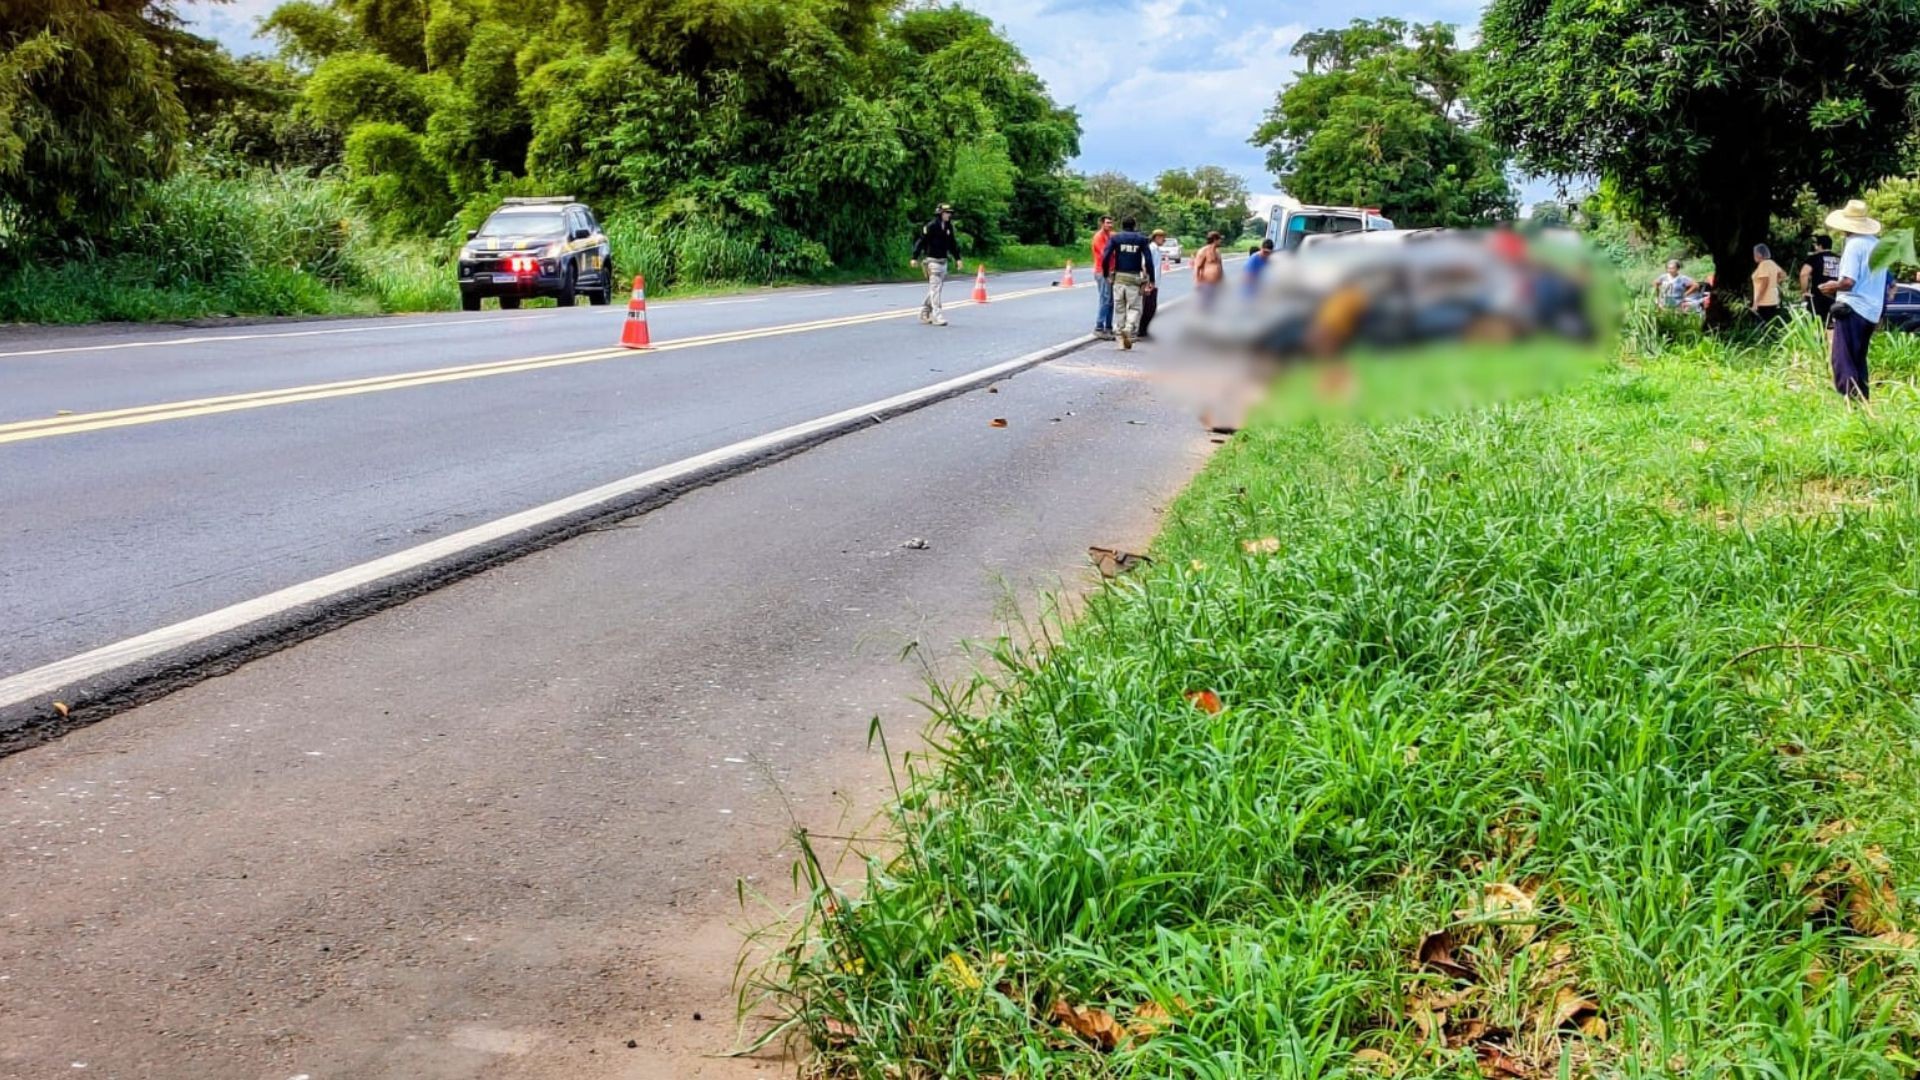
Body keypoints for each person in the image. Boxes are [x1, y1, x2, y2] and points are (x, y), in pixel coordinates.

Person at [1819, 200, 1888, 401]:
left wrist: (1830, 287)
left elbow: (1848, 282)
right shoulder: (1877, 245)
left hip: (1853, 307)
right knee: (1858, 359)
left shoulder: (1853, 245)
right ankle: (1862, 400)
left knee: (1842, 358)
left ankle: (1849, 401)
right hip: (1871, 311)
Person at [1099, 215, 1156, 349]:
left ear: (1122, 225)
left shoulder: (1115, 238)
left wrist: (1106, 273)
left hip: (1119, 277)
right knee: (1135, 307)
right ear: (1134, 225)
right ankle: (1129, 327)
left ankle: (1120, 341)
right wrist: (1151, 279)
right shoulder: (1141, 239)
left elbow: (1105, 256)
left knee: (1119, 309)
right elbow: (1148, 260)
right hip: (1134, 278)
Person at [909, 203, 963, 326]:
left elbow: (952, 244)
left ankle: (924, 311)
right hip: (932, 261)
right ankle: (937, 315)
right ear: (940, 213)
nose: (949, 215)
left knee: (935, 289)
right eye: (946, 212)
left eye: (949, 213)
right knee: (935, 289)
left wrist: (957, 258)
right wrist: (914, 257)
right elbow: (921, 241)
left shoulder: (948, 227)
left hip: (943, 261)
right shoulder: (931, 226)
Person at [1800, 234, 1840, 324]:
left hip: (1817, 296)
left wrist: (1804, 291)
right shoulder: (1839, 258)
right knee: (1832, 325)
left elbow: (1804, 274)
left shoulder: (1814, 258)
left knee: (1816, 324)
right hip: (1836, 297)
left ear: (1820, 246)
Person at [1139, 228, 1167, 338]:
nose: (1163, 241)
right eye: (1162, 238)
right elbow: (1145, 264)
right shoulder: (1151, 248)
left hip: (1154, 282)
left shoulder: (1157, 249)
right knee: (1148, 307)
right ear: (1157, 237)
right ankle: (1141, 330)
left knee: (1151, 307)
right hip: (1150, 282)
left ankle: (1144, 330)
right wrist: (1147, 282)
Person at [1091, 216, 1115, 339]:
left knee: (1110, 301)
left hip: (1111, 271)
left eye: (1111, 223)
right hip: (1102, 271)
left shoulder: (1111, 235)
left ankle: (1109, 327)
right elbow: (1105, 253)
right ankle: (1099, 327)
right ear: (1102, 223)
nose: (1110, 225)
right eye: (1107, 223)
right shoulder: (1099, 237)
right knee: (1105, 299)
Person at [1751, 243, 1786, 323]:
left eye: (1754, 254)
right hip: (1773, 300)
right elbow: (1783, 274)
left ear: (1759, 254)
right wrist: (1774, 282)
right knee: (1770, 325)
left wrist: (1756, 302)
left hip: (1764, 302)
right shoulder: (1771, 263)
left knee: (1762, 328)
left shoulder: (1763, 265)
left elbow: (1764, 283)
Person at [1192, 230, 1225, 311]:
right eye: (1219, 239)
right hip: (1206, 283)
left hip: (1215, 284)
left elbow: (1220, 266)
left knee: (1213, 304)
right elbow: (1197, 267)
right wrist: (1197, 282)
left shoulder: (1217, 252)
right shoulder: (1203, 251)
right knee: (1204, 305)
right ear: (1214, 239)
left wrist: (1222, 280)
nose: (1220, 241)